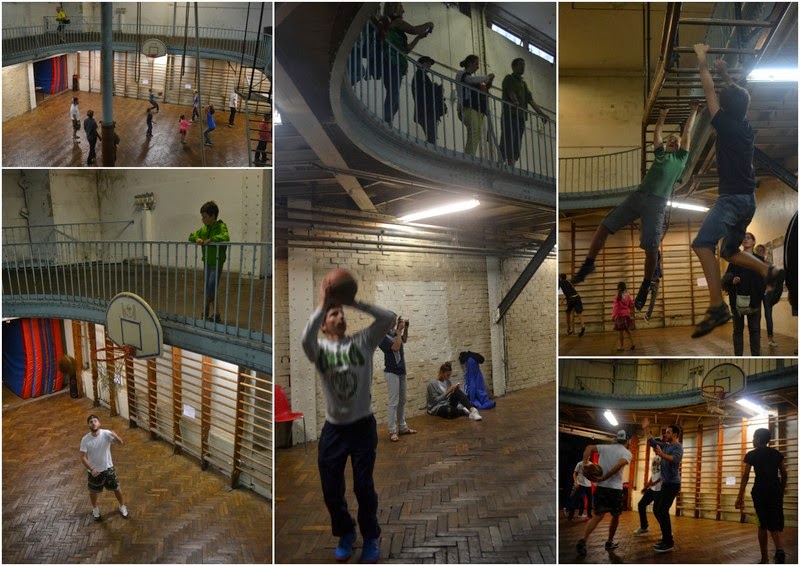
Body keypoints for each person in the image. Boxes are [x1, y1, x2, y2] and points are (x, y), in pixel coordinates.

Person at [300, 273, 396, 564]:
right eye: (334, 313)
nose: (339, 315)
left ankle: (371, 537)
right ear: (325, 323)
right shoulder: (319, 350)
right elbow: (306, 336)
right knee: (331, 489)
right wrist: (324, 303)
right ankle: (345, 532)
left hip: (362, 426)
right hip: (334, 430)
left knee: (363, 487)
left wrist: (353, 302)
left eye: (342, 313)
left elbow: (388, 317)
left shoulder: (363, 342)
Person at [691, 43, 785, 338]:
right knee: (728, 251)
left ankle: (717, 305)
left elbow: (709, 92)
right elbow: (731, 95)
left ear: (726, 106)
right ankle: (766, 270)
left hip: (731, 201)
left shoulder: (727, 125)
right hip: (749, 202)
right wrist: (724, 73)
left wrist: (703, 60)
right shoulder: (744, 126)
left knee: (701, 244)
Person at [572, 101, 700, 310]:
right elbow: (657, 134)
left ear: (679, 148)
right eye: (671, 143)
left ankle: (646, 284)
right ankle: (588, 264)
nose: (673, 145)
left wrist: (693, 110)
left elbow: (687, 131)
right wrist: (662, 115)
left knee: (651, 248)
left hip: (657, 203)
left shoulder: (680, 158)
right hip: (639, 196)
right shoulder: (660, 154)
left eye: (676, 144)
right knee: (605, 225)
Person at [575, 430, 632, 557]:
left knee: (597, 516)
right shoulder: (627, 453)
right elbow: (619, 465)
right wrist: (604, 477)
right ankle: (609, 542)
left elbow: (588, 447)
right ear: (627, 441)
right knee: (615, 515)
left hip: (600, 488)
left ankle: (584, 540)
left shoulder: (605, 447)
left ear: (616, 439)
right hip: (614, 489)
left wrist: (585, 465)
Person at [735, 428, 787, 564]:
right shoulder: (776, 453)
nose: (752, 440)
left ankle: (764, 558)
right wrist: (780, 490)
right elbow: (784, 473)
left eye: (753, 437)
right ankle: (779, 549)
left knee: (762, 524)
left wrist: (739, 495)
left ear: (758, 439)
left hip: (760, 491)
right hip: (775, 491)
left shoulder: (751, 454)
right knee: (774, 521)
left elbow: (745, 476)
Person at [381, 2, 433, 124]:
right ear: (394, 9)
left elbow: (406, 50)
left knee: (394, 96)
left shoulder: (395, 26)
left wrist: (418, 38)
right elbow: (413, 29)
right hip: (392, 61)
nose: (403, 11)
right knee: (393, 94)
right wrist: (428, 24)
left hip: (396, 62)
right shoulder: (397, 22)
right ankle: (387, 122)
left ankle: (388, 120)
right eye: (401, 8)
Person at [641, 418, 683, 553]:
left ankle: (668, 542)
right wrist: (646, 428)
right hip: (666, 484)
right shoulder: (665, 445)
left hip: (673, 484)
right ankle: (666, 535)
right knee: (656, 510)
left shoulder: (677, 447)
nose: (666, 434)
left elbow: (675, 459)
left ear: (675, 435)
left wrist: (662, 454)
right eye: (666, 432)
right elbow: (651, 441)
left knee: (662, 510)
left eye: (669, 432)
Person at [499, 58, 548, 167]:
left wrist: (541, 114)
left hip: (520, 118)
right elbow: (510, 91)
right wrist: (515, 101)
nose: (523, 67)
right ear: (514, 66)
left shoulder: (524, 84)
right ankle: (500, 162)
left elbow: (530, 100)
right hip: (510, 115)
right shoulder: (509, 78)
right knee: (507, 139)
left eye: (524, 65)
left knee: (516, 142)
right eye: (520, 65)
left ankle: (511, 165)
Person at [722, 232, 764, 355]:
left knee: (755, 331)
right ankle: (738, 355)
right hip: (737, 301)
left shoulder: (760, 260)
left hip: (754, 301)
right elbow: (726, 278)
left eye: (748, 238)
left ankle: (756, 355)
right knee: (738, 331)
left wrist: (759, 296)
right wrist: (732, 280)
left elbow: (764, 280)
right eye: (744, 238)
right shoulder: (735, 259)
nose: (745, 239)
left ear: (753, 242)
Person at [79, 414, 128, 521]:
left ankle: (122, 506)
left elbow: (121, 443)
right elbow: (82, 457)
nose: (93, 423)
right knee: (93, 491)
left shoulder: (106, 433)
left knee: (117, 488)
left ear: (99, 423)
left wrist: (116, 436)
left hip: (108, 468)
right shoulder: (85, 439)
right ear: (88, 425)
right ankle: (95, 509)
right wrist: (91, 469)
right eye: (91, 422)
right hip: (94, 471)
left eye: (95, 421)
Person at [188, 201, 230, 322]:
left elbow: (225, 237)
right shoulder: (204, 229)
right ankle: (216, 315)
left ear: (213, 216)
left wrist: (211, 240)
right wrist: (197, 238)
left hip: (217, 262)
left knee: (210, 288)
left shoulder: (221, 227)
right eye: (202, 217)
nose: (203, 219)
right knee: (210, 289)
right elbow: (191, 236)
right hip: (207, 262)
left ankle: (204, 311)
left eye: (205, 217)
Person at [379, 316, 416, 442]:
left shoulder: (394, 333)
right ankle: (392, 431)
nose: (395, 323)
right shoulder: (382, 337)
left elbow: (404, 340)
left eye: (396, 320)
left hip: (401, 370)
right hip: (392, 372)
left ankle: (402, 427)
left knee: (402, 400)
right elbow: (395, 347)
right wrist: (399, 331)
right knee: (393, 401)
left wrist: (405, 329)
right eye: (393, 320)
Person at [458, 55, 494, 157]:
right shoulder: (461, 74)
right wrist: (488, 77)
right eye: (476, 64)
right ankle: (469, 156)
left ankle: (470, 154)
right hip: (467, 108)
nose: (478, 67)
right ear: (469, 63)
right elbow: (471, 80)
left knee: (476, 133)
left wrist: (489, 82)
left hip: (476, 109)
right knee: (474, 131)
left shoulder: (473, 79)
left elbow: (482, 87)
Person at [411, 56, 445, 145]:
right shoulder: (420, 75)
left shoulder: (420, 76)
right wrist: (437, 88)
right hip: (426, 112)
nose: (430, 66)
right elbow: (426, 93)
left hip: (424, 111)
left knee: (431, 136)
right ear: (421, 64)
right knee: (431, 138)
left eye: (430, 64)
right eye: (428, 63)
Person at [755, 244, 778, 348]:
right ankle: (757, 338)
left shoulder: (768, 264)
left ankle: (770, 339)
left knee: (768, 316)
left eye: (761, 250)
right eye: (758, 250)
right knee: (757, 316)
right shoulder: (753, 263)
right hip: (757, 292)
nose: (759, 251)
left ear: (764, 252)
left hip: (767, 293)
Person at [634, 454, 662, 535]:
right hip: (652, 489)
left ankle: (666, 532)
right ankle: (644, 527)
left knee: (657, 511)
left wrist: (656, 482)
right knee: (641, 505)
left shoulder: (664, 459)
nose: (654, 449)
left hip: (660, 490)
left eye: (656, 447)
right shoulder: (655, 459)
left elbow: (665, 474)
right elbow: (654, 475)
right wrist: (646, 486)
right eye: (653, 447)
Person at [612, 282, 635, 351]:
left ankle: (621, 347)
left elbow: (615, 308)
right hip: (627, 316)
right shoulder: (628, 295)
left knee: (621, 333)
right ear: (625, 288)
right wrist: (633, 301)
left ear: (618, 288)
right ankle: (632, 343)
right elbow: (631, 304)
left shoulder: (617, 297)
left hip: (620, 317)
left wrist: (613, 316)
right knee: (628, 331)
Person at [644, 251, 663, 322]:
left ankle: (638, 307)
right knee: (652, 301)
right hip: (655, 282)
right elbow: (661, 274)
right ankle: (647, 316)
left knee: (643, 295)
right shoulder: (658, 264)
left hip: (649, 281)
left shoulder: (650, 262)